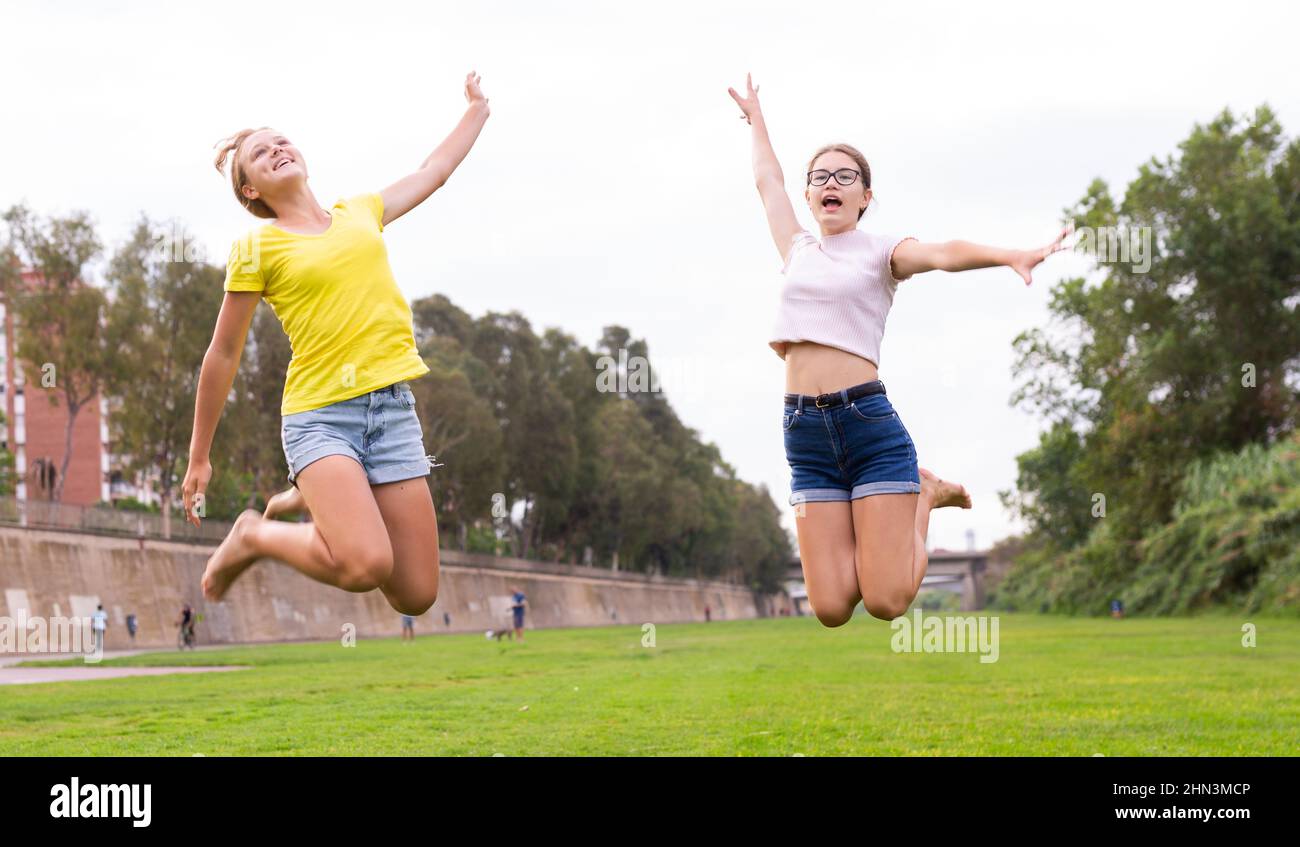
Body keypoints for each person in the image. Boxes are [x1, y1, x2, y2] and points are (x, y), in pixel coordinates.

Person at [728, 73, 1065, 626]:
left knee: (885, 602)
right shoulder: (797, 249)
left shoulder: (882, 251)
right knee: (832, 608)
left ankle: (924, 496)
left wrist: (1010, 255)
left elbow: (944, 254)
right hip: (805, 434)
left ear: (865, 197)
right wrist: (757, 120)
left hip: (867, 425)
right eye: (819, 176)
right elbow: (767, 182)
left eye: (845, 175)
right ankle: (918, 493)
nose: (830, 182)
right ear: (810, 195)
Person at [180, 72, 490, 618]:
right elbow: (222, 353)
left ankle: (317, 496)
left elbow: (433, 172)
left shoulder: (360, 212)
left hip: (392, 411)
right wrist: (199, 456)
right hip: (321, 416)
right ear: (250, 190)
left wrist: (477, 111)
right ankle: (253, 536)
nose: (277, 149)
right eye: (260, 153)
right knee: (365, 564)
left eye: (281, 141)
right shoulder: (258, 246)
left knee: (416, 594)